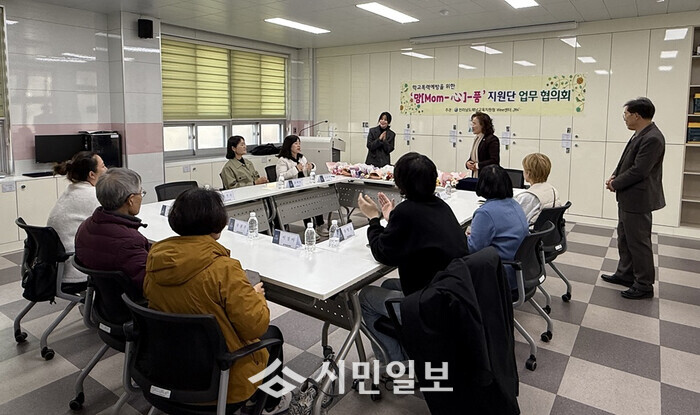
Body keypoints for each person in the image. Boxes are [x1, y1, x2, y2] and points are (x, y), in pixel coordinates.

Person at [143, 188, 289, 414]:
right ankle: (270, 404)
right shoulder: (224, 269)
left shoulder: (155, 261)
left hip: (165, 367)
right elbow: (255, 327)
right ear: (218, 222)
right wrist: (256, 297)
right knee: (273, 334)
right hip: (220, 379)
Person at [356, 152, 469, 363]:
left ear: (400, 182)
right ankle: (409, 349)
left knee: (365, 297)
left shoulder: (407, 212)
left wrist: (373, 219)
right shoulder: (440, 206)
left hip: (430, 308)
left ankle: (392, 362)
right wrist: (391, 218)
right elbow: (416, 232)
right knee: (388, 283)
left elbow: (382, 253)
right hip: (452, 297)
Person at [601, 97, 665, 300]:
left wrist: (616, 184)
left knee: (639, 242)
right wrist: (615, 176)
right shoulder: (640, 134)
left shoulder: (653, 138)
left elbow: (639, 170)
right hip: (628, 197)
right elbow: (626, 161)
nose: (624, 118)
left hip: (639, 199)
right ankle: (626, 274)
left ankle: (644, 285)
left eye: (626, 114)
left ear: (637, 115)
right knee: (625, 238)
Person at [75, 168, 151, 294]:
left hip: (104, 299)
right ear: (131, 200)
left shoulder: (86, 226)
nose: (141, 197)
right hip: (130, 302)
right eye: (141, 193)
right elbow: (150, 284)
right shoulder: (130, 242)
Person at [47, 151, 107, 292]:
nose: (107, 169)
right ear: (92, 174)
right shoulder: (91, 195)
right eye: (103, 166)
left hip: (58, 265)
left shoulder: (73, 190)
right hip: (74, 268)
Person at [468, 165, 529, 294]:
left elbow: (473, 249)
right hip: (521, 271)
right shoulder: (515, 204)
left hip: (501, 275)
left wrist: (465, 237)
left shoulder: (485, 213)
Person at [276, 134, 326, 234]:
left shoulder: (301, 158)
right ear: (289, 145)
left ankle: (320, 225)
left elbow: (308, 170)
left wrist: (311, 166)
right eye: (296, 143)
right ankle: (309, 229)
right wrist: (295, 169)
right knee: (306, 200)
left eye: (299, 143)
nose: (298, 146)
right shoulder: (282, 160)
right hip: (291, 190)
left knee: (316, 196)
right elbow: (281, 176)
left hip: (304, 186)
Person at [514, 153, 562, 224]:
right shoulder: (553, 190)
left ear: (528, 173)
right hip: (547, 228)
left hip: (529, 230)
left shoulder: (528, 197)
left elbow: (513, 219)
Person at [465, 111, 499, 178]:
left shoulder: (492, 139)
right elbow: (474, 157)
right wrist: (468, 163)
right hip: (476, 175)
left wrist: (477, 165)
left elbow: (494, 160)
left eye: (474, 123)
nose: (472, 126)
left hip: (488, 176)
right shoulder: (477, 139)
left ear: (482, 125)